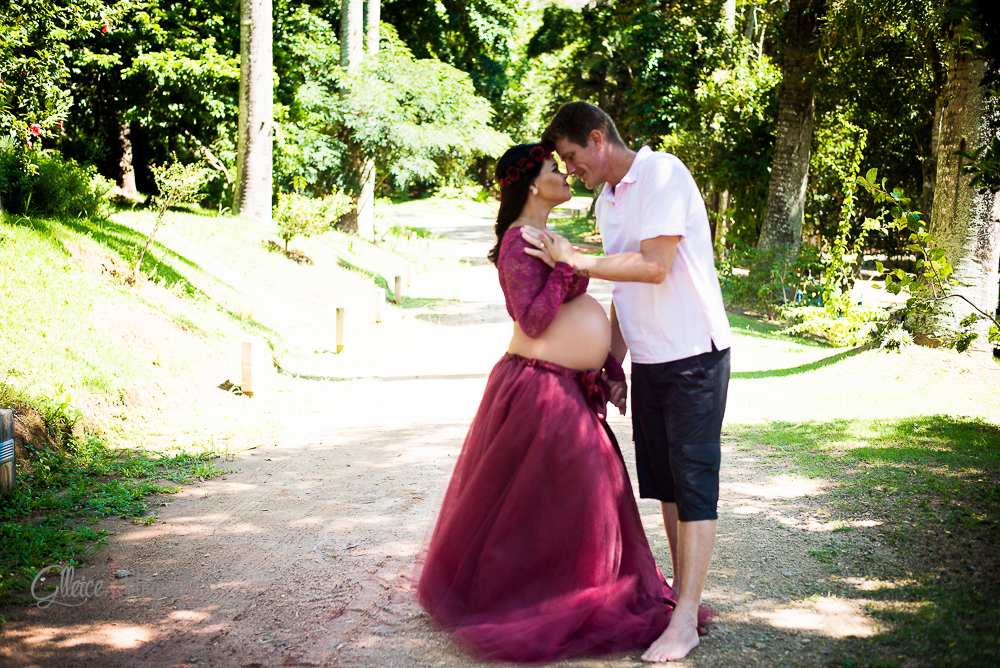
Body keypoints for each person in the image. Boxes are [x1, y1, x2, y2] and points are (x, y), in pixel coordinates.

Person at [415, 143, 711, 662]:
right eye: (556, 168)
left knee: (578, 499)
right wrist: (563, 266)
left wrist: (608, 367)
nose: (566, 173)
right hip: (538, 389)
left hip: (566, 385)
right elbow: (532, 320)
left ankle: (571, 593)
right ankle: (543, 603)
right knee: (561, 499)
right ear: (533, 183)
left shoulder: (546, 237)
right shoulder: (518, 241)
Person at [521, 101, 732, 662]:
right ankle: (680, 601)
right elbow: (627, 287)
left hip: (694, 354)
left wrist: (575, 260)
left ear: (598, 139)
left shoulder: (662, 173)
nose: (571, 170)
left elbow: (654, 265)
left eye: (572, 157)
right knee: (665, 486)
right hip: (652, 362)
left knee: (693, 483)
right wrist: (611, 362)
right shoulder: (607, 202)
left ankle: (684, 622)